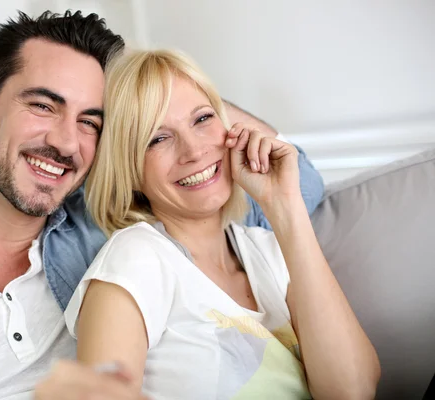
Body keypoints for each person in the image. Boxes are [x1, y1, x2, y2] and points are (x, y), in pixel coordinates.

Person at [0, 11, 323, 400]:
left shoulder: (115, 219)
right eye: (44, 105)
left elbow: (301, 182)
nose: (66, 142)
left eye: (90, 121)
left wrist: (143, 81)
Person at [63, 49, 380, 399]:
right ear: (131, 171)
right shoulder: (134, 260)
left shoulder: (267, 249)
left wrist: (285, 207)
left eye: (202, 119)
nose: (194, 151)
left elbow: (353, 390)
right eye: (158, 138)